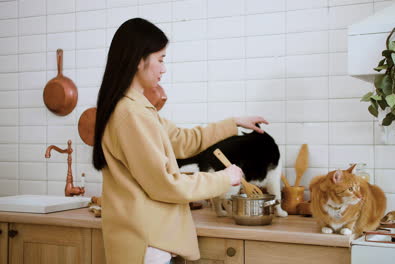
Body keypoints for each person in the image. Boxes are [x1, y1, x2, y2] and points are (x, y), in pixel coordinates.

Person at [92, 18, 269, 264]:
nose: (164, 69)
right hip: (146, 245)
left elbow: (182, 140)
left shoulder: (137, 107)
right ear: (137, 60)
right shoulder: (130, 114)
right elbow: (166, 184)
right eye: (161, 59)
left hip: (151, 240)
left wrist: (233, 124)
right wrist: (224, 178)